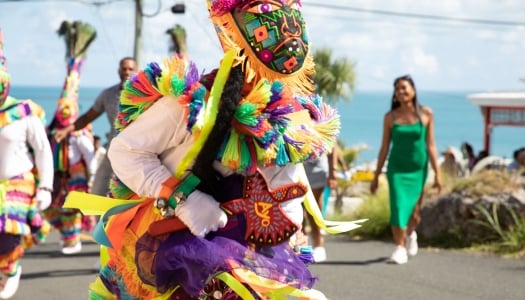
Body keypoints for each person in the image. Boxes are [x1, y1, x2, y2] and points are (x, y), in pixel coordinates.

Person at [67, 1, 364, 298]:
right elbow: (126, 151)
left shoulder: (292, 117)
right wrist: (183, 199)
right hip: (180, 258)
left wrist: (286, 228)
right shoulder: (193, 104)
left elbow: (287, 180)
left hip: (261, 263)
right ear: (234, 33)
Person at [0, 28, 54, 299]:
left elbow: (43, 150)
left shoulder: (23, 112)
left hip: (17, 184)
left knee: (8, 235)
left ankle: (11, 269)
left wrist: (46, 187)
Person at [370, 75, 442, 265]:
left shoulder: (426, 114)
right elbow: (384, 148)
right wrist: (376, 176)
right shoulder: (390, 117)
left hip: (418, 169)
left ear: (413, 90)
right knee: (398, 208)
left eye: (404, 88)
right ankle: (399, 248)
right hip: (397, 169)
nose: (401, 92)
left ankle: (411, 233)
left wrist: (438, 175)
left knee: (415, 213)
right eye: (397, 89)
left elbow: (431, 145)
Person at [53, 57, 137, 196]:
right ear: (118, 71)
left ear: (136, 71)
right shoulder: (108, 95)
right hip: (113, 151)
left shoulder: (147, 95)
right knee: (98, 191)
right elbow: (87, 117)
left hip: (138, 154)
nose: (127, 72)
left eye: (130, 69)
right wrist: (66, 130)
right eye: (124, 69)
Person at [45, 97, 95, 255]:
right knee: (52, 207)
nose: (64, 111)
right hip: (57, 175)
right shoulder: (51, 131)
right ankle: (66, 235)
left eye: (67, 108)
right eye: (62, 108)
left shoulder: (78, 133)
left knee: (70, 209)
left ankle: (72, 241)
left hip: (74, 176)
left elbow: (89, 155)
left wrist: (92, 176)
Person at [303, 150, 337, 262]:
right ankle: (302, 246)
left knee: (313, 208)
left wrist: (333, 172)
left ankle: (318, 245)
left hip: (316, 166)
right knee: (297, 210)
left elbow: (332, 144)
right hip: (294, 164)